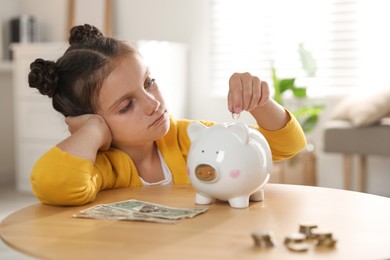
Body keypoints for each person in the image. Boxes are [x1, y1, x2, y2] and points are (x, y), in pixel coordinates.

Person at [28, 24, 306, 206]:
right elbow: (53, 184)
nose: (152, 103)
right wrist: (92, 131)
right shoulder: (104, 169)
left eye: (149, 82)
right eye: (126, 106)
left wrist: (259, 101)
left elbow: (286, 147)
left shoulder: (189, 138)